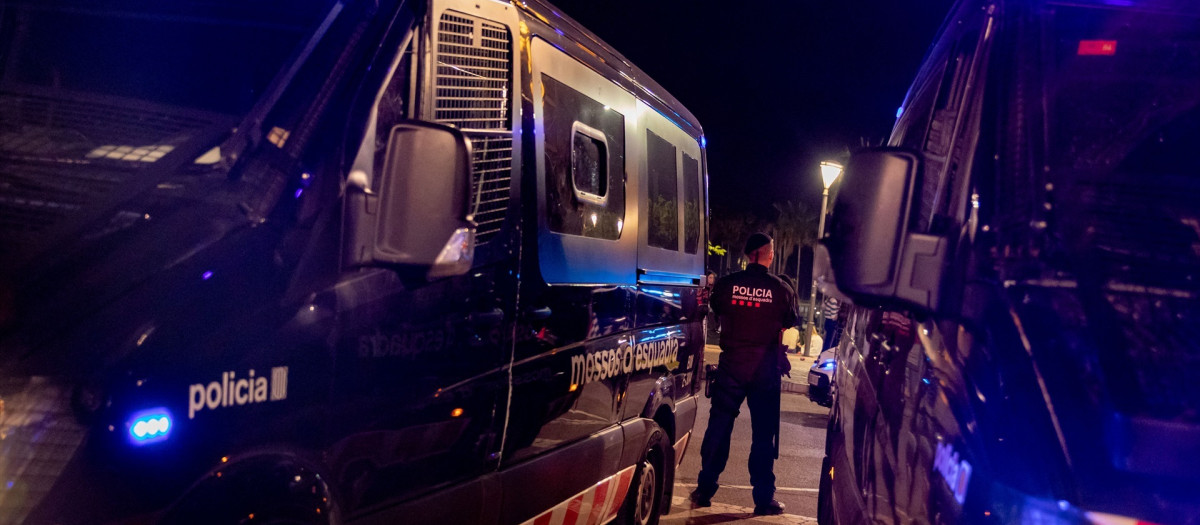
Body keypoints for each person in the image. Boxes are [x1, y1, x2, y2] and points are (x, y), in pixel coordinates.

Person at [690, 232, 798, 516]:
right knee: (763, 435)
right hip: (764, 369)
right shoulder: (781, 289)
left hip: (732, 365)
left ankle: (704, 489)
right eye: (772, 250)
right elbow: (789, 321)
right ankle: (763, 499)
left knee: (719, 428)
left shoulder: (727, 285)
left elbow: (715, 311)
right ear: (764, 253)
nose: (773, 254)